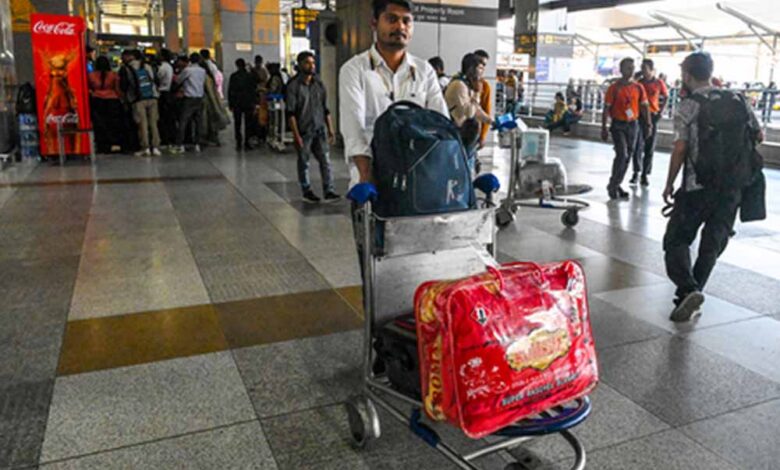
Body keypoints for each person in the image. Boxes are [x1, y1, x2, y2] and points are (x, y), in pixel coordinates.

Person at [661, 51, 763, 322]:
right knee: (712, 244)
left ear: (687, 75)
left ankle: (688, 289)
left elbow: (680, 148)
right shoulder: (738, 99)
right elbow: (759, 135)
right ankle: (692, 293)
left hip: (697, 186)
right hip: (733, 186)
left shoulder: (688, 106)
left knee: (677, 239)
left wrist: (669, 183)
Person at [339, 0, 448, 193]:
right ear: (374, 23)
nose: (400, 27)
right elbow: (353, 129)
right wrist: (366, 176)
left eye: (407, 21)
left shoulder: (424, 71)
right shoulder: (354, 70)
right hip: (373, 180)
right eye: (392, 19)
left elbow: (441, 122)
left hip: (418, 180)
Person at [287, 51, 340, 203]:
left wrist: (331, 129)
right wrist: (296, 135)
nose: (311, 66)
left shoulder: (319, 84)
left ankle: (329, 190)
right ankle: (307, 190)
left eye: (313, 63)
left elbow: (325, 108)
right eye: (307, 63)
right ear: (299, 65)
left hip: (319, 129)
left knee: (325, 160)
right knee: (304, 162)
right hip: (304, 130)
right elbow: (291, 113)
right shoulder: (293, 86)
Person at [601, 57, 651, 200]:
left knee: (628, 156)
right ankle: (613, 184)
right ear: (621, 70)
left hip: (633, 124)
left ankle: (616, 183)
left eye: (632, 68)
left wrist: (648, 124)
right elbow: (606, 108)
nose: (631, 71)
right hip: (618, 125)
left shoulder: (638, 87)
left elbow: (645, 106)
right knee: (622, 154)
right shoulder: (614, 88)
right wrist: (604, 127)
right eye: (628, 68)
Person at [445, 53, 492, 160]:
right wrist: (477, 93)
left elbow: (477, 110)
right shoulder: (459, 85)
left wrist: (491, 121)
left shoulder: (467, 84)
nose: (482, 71)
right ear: (472, 69)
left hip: (463, 132)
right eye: (480, 68)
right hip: (457, 132)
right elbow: (470, 113)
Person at [630, 59, 669, 187]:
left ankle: (645, 174)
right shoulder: (639, 83)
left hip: (653, 115)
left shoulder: (658, 83)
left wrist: (661, 112)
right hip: (639, 116)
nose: (643, 71)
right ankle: (636, 171)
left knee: (649, 146)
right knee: (637, 145)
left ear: (652, 70)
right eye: (642, 68)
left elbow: (666, 96)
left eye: (645, 69)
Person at [120, 50, 161, 157]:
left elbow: (124, 86)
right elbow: (156, 80)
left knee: (142, 124)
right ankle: (155, 147)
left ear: (131, 56)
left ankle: (145, 147)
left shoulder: (126, 68)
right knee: (153, 123)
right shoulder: (148, 66)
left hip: (138, 99)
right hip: (153, 97)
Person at [171, 54, 206, 154]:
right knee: (198, 122)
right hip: (199, 98)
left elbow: (178, 80)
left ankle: (180, 145)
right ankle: (197, 144)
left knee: (183, 121)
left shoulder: (188, 70)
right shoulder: (202, 71)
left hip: (189, 98)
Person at [87, 55, 123, 153]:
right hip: (112, 100)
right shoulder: (114, 75)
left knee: (99, 123)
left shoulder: (91, 75)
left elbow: (89, 88)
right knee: (113, 123)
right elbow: (117, 88)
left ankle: (102, 145)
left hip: (97, 100)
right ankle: (114, 144)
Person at [227, 58, 258, 151]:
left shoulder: (234, 76)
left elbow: (230, 91)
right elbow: (254, 89)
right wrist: (254, 102)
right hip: (248, 102)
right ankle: (247, 142)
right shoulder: (250, 76)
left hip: (237, 102)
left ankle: (238, 142)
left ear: (237, 65)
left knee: (237, 123)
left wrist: (230, 104)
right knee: (248, 123)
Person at [473, 49, 493, 150]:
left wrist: (483, 136)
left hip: (474, 132)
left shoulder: (485, 87)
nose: (480, 67)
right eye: (478, 62)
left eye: (483, 64)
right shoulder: (459, 83)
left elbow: (486, 110)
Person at [156, 48, 176, 149]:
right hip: (168, 93)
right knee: (169, 118)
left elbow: (158, 78)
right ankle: (170, 138)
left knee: (163, 118)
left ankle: (165, 139)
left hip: (163, 93)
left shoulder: (163, 67)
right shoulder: (170, 66)